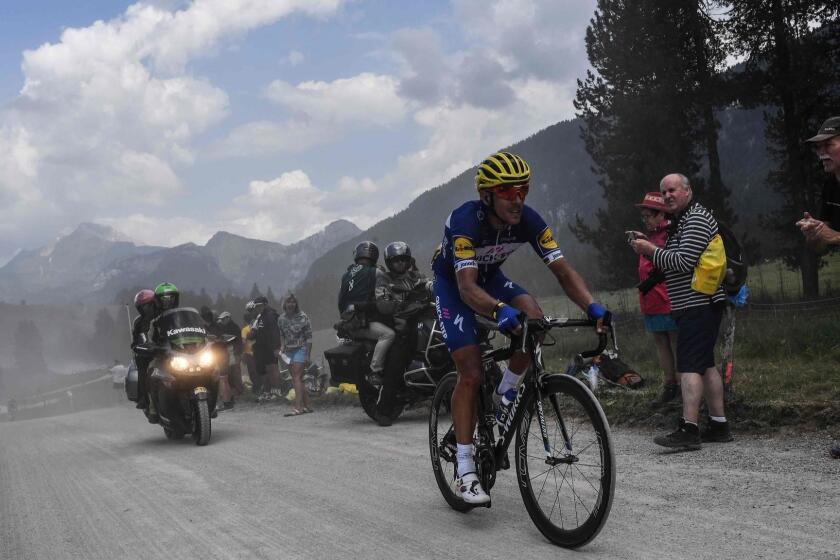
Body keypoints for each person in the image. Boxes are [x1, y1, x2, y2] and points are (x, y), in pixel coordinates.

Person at [432, 151, 608, 505]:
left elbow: (562, 270)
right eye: (508, 192)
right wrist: (498, 311)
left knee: (533, 317)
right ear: (487, 195)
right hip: (454, 284)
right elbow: (467, 287)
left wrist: (591, 305)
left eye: (523, 191)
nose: (518, 200)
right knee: (469, 370)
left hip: (491, 278)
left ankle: (504, 396)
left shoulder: (529, 220)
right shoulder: (465, 220)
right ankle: (465, 470)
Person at [631, 173, 732, 449]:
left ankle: (689, 429)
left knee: (688, 365)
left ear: (687, 190)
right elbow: (677, 261)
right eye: (663, 193)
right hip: (696, 303)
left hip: (698, 303)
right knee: (705, 364)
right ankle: (719, 424)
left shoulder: (695, 219)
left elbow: (683, 261)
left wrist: (650, 249)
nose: (667, 197)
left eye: (672, 190)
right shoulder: (683, 221)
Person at [796, 116, 840, 459]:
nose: (822, 152)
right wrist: (814, 233)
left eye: (829, 144)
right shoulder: (830, 186)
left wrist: (833, 236)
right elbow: (824, 245)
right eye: (818, 147)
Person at [372, 241, 432, 426]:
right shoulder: (384, 279)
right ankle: (383, 408)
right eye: (396, 260)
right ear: (390, 262)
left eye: (403, 260)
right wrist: (405, 305)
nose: (400, 264)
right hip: (401, 324)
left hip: (422, 319)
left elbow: (429, 284)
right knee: (397, 359)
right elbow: (382, 303)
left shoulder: (415, 276)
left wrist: (438, 287)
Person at [630, 192, 679, 404]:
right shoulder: (650, 237)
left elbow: (669, 262)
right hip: (650, 299)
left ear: (661, 215)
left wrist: (648, 248)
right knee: (660, 341)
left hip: (667, 298)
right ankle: (669, 384)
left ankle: (683, 384)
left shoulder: (671, 234)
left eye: (649, 216)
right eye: (644, 217)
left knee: (676, 341)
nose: (647, 220)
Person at [337, 241, 395, 387]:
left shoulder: (346, 275)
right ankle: (375, 370)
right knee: (388, 334)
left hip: (347, 321)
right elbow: (385, 299)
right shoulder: (375, 272)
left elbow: (340, 301)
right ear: (374, 256)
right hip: (362, 323)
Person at [277, 292, 314, 416]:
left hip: (301, 348)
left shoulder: (303, 316)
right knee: (296, 378)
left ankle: (297, 407)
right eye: (289, 302)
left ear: (296, 304)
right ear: (285, 304)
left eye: (293, 302)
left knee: (297, 377)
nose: (291, 304)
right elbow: (281, 334)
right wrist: (282, 347)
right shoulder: (281, 319)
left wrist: (308, 354)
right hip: (288, 351)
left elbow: (309, 337)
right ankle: (308, 405)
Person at [247, 296, 282, 401]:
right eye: (256, 306)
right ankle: (269, 391)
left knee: (273, 368)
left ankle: (277, 391)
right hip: (262, 347)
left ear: (266, 304)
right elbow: (255, 332)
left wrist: (276, 347)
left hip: (271, 346)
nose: (258, 308)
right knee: (266, 370)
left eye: (260, 305)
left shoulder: (270, 314)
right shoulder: (261, 316)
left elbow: (275, 332)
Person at [130, 288, 157, 414]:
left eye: (149, 305)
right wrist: (137, 346)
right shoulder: (139, 322)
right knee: (143, 370)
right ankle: (144, 399)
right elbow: (136, 340)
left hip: (168, 348)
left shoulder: (164, 315)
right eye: (143, 306)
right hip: (148, 352)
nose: (147, 308)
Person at [216, 311, 244, 411]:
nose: (222, 321)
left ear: (228, 318)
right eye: (221, 319)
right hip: (226, 351)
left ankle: (239, 391)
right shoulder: (222, 327)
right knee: (228, 374)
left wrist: (238, 354)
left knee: (234, 372)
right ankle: (231, 393)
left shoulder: (234, 327)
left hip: (233, 350)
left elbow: (238, 341)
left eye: (224, 319)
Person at [241, 302, 259, 395]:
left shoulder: (245, 329)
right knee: (255, 372)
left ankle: (257, 389)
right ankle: (258, 388)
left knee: (254, 372)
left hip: (252, 353)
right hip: (253, 352)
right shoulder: (249, 328)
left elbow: (244, 342)